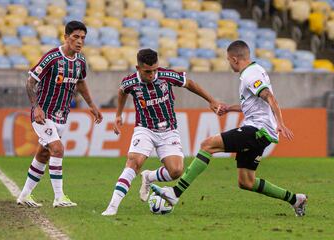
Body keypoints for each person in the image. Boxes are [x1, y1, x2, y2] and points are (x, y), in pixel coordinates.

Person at [151, 40, 308, 217]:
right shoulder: (256, 71)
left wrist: (280, 122)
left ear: (234, 59)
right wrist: (229, 108)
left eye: (228, 60)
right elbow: (253, 105)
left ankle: (174, 193)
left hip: (258, 130)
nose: (228, 63)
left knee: (207, 145)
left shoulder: (250, 75)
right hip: (261, 131)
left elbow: (269, 97)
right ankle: (296, 199)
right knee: (246, 182)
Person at [101, 48, 221, 216]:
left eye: (155, 70)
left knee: (176, 171)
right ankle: (112, 207)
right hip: (145, 129)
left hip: (169, 130)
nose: (152, 74)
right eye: (147, 71)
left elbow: (190, 84)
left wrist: (212, 100)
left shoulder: (166, 76)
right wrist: (118, 115)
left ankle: (149, 177)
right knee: (134, 162)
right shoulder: (130, 82)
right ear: (138, 68)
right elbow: (122, 92)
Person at [17, 21, 103, 208]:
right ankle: (59, 197)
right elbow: (30, 82)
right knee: (57, 149)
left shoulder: (80, 60)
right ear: (66, 37)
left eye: (82, 38)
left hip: (61, 116)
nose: (79, 41)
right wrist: (36, 107)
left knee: (43, 155)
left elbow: (80, 82)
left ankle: (24, 195)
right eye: (75, 37)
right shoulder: (52, 57)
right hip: (43, 115)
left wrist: (91, 105)